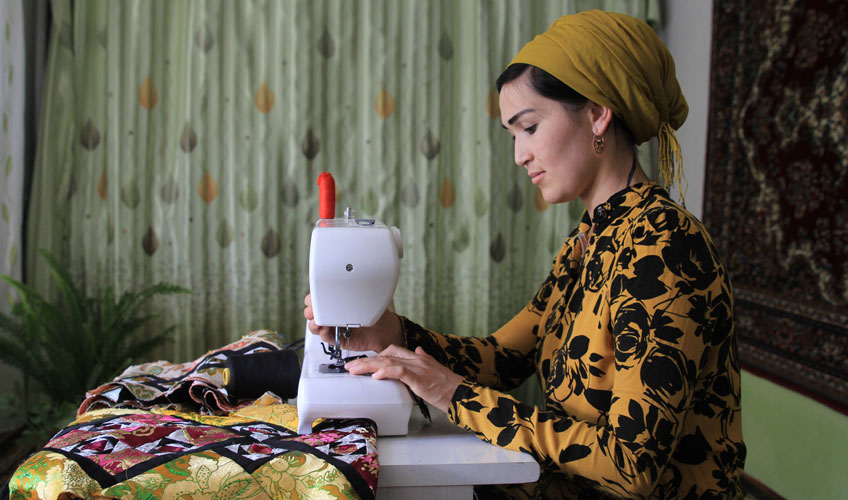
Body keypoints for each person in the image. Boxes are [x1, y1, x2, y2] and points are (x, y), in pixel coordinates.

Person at [304, 10, 745, 499]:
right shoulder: (591, 240)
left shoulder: (665, 247)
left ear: (598, 113)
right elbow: (507, 358)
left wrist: (452, 394)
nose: (519, 155)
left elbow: (631, 466)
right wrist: (393, 334)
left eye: (529, 128)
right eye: (513, 135)